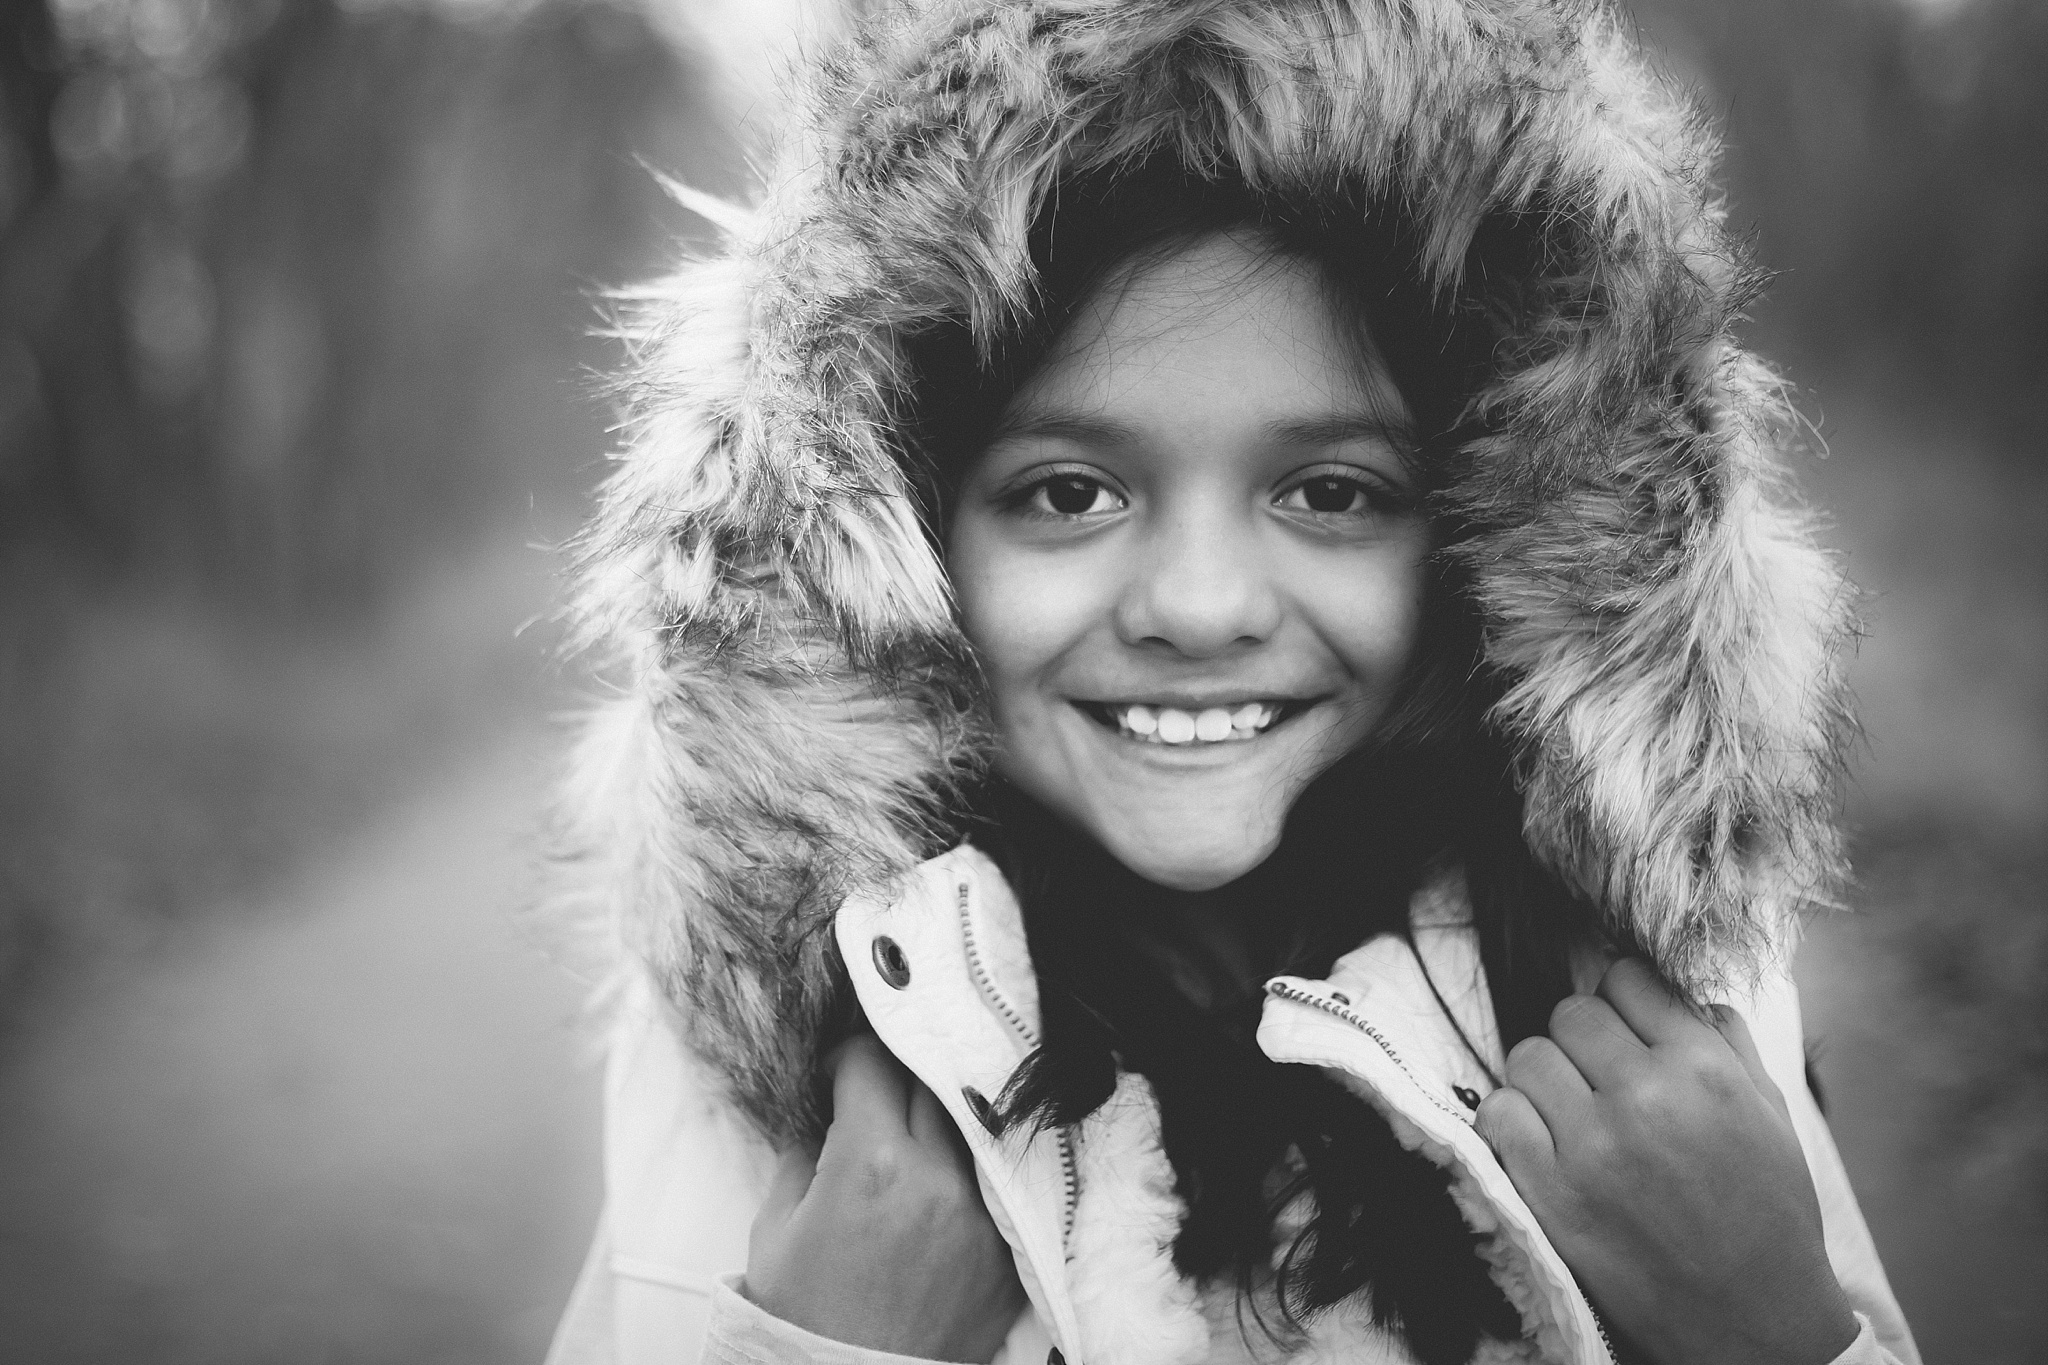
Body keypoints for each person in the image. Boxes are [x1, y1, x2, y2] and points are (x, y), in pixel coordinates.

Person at [542, 3, 1921, 1364]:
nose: (1200, 607)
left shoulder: (1658, 1019)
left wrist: (1772, 1327)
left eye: (1329, 492)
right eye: (1069, 493)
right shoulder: (798, 1095)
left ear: (1489, 545)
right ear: (899, 535)